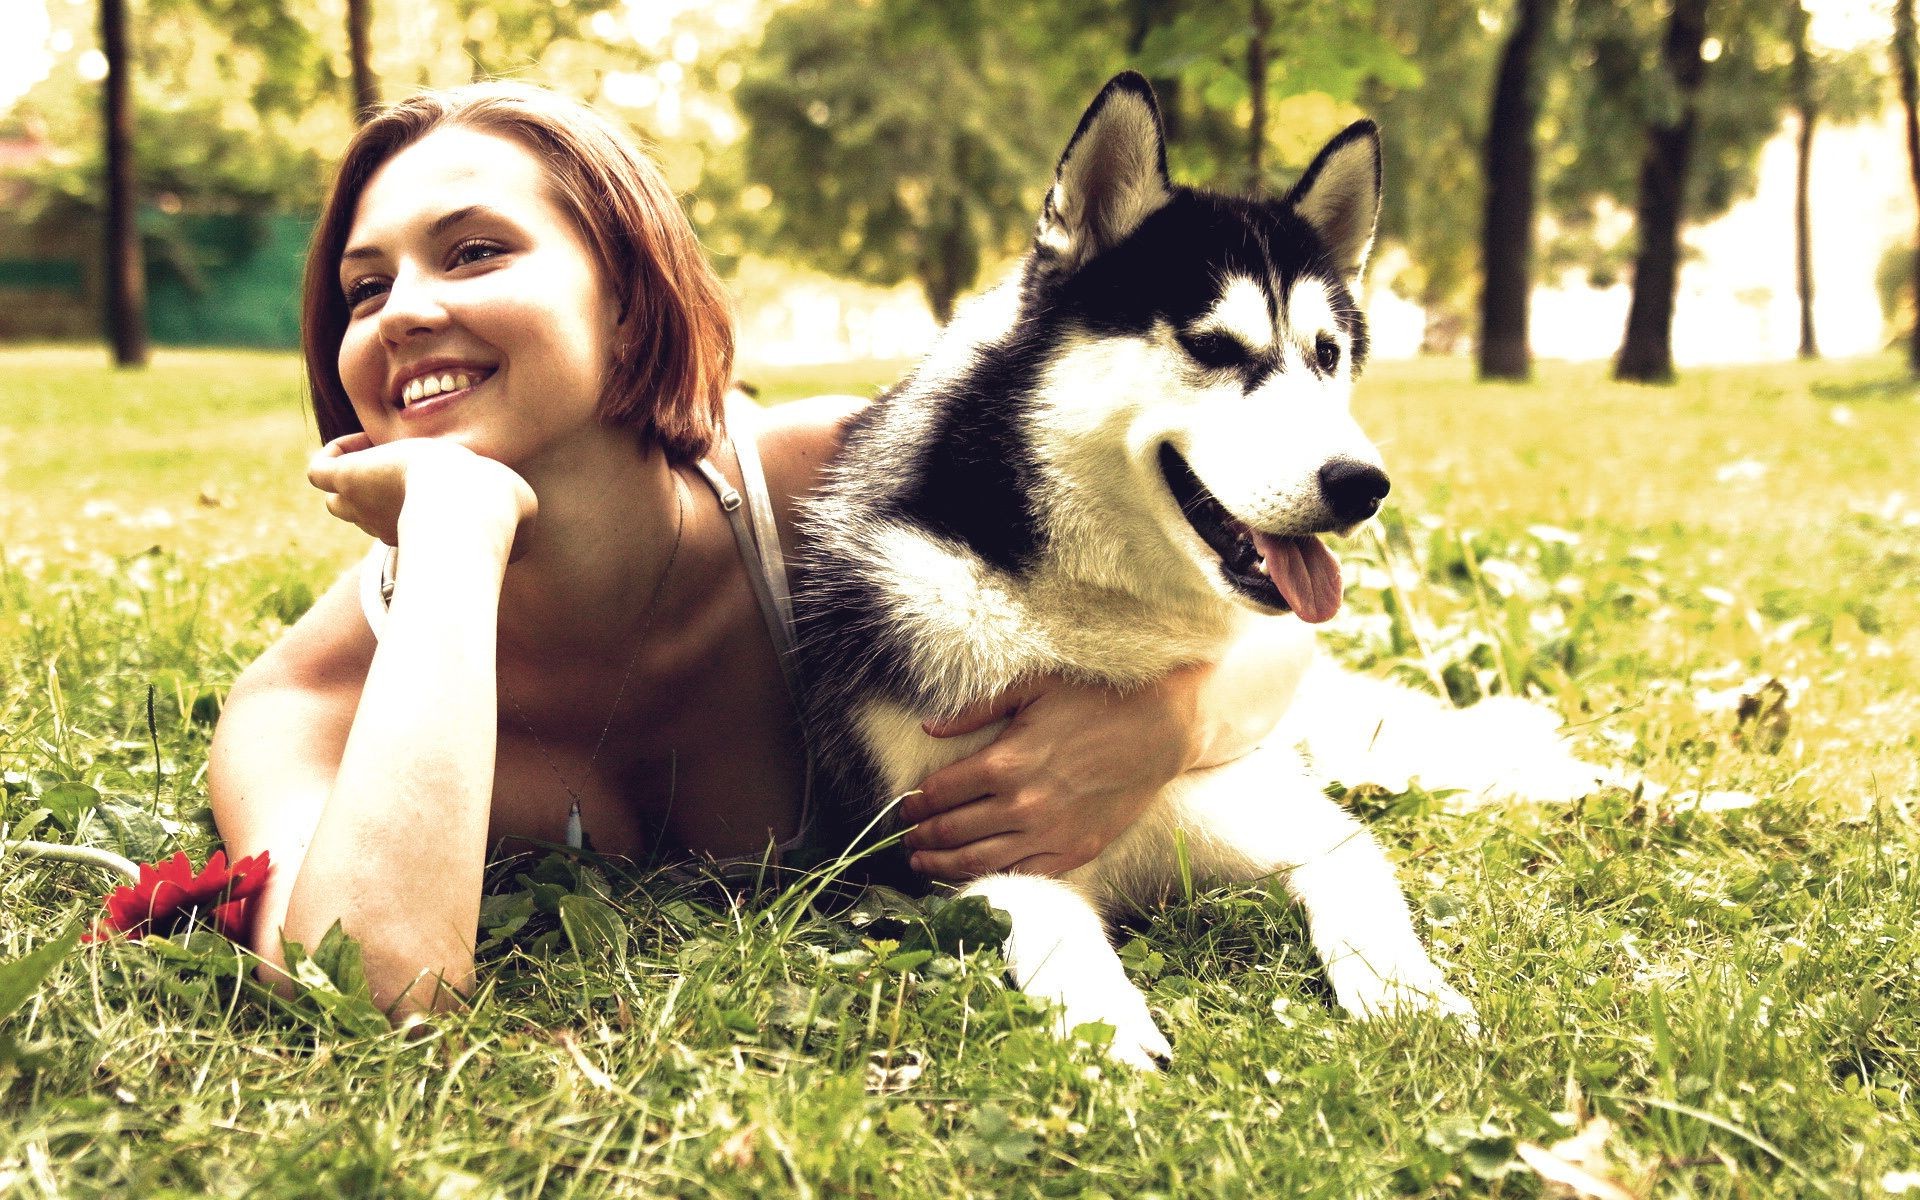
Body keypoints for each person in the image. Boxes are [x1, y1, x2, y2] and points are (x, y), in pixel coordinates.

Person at [208, 82, 1313, 1019]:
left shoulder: (842, 477)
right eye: (365, 287)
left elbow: (1280, 640)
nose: (401, 313)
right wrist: (455, 532)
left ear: (631, 305)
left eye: (474, 252)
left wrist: (1164, 722)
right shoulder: (308, 699)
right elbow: (373, 990)